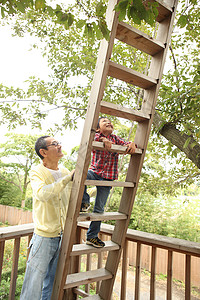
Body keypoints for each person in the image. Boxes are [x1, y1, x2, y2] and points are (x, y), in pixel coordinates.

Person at [20, 136, 75, 300]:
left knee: (51, 283)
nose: (59, 146)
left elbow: (72, 197)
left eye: (59, 143)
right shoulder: (37, 171)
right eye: (54, 144)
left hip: (62, 236)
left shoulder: (65, 171)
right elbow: (42, 194)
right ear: (43, 152)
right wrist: (66, 180)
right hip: (44, 237)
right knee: (33, 285)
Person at [81, 117, 136, 248]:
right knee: (79, 176)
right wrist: (102, 139)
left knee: (99, 209)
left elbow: (126, 143)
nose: (109, 122)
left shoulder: (115, 138)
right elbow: (92, 139)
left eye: (110, 121)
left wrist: (133, 144)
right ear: (99, 128)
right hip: (94, 172)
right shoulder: (96, 135)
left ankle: (92, 236)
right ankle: (84, 201)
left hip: (107, 178)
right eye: (104, 121)